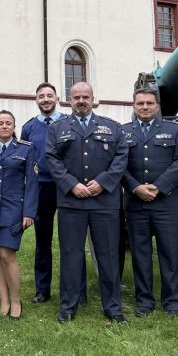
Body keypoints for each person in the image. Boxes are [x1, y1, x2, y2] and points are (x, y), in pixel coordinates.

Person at [46, 82, 129, 324]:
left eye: (85, 97)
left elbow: (121, 157)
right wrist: (72, 184)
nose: (81, 101)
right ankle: (68, 306)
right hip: (72, 202)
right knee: (71, 254)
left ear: (93, 99)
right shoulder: (57, 128)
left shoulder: (112, 127)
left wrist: (103, 182)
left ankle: (113, 307)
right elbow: (51, 159)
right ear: (69, 100)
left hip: (104, 201)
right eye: (76, 97)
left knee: (109, 254)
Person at [122, 88, 178, 317]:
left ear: (157, 106)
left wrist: (159, 186)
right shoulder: (124, 132)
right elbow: (118, 166)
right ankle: (144, 301)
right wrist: (135, 187)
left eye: (149, 103)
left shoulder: (174, 130)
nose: (145, 107)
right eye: (140, 103)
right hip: (136, 204)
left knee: (169, 253)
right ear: (134, 106)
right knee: (140, 254)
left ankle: (173, 302)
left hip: (166, 204)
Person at [0, 111, 38, 320]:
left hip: (14, 209)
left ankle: (15, 300)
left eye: (8, 123)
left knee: (6, 254)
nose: (4, 126)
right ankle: (4, 300)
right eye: (0, 123)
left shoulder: (26, 149)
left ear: (13, 126)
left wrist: (29, 212)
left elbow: (32, 182)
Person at [21, 83, 79, 304]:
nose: (45, 99)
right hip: (41, 188)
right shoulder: (29, 128)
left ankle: (76, 288)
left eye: (49, 95)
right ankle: (42, 289)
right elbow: (26, 159)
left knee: (71, 241)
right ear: (36, 100)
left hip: (66, 186)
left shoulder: (69, 122)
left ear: (57, 98)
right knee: (43, 241)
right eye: (41, 96)